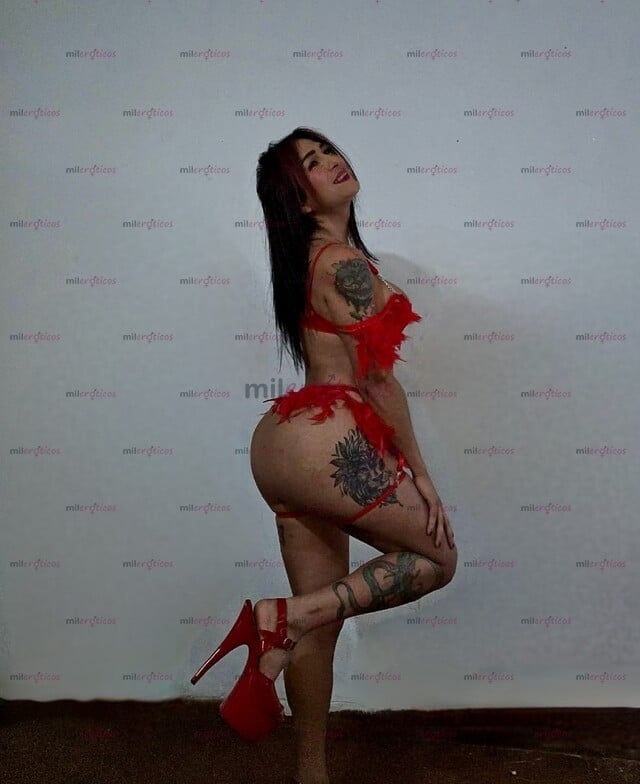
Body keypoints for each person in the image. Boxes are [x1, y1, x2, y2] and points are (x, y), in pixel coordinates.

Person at [190, 127, 458, 784]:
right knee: (437, 558)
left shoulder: (308, 260)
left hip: (281, 446)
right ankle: (281, 618)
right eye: (312, 163)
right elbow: (377, 381)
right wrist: (422, 475)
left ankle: (311, 772)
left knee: (320, 622)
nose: (333, 162)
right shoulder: (342, 263)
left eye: (329, 151)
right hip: (327, 442)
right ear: (300, 200)